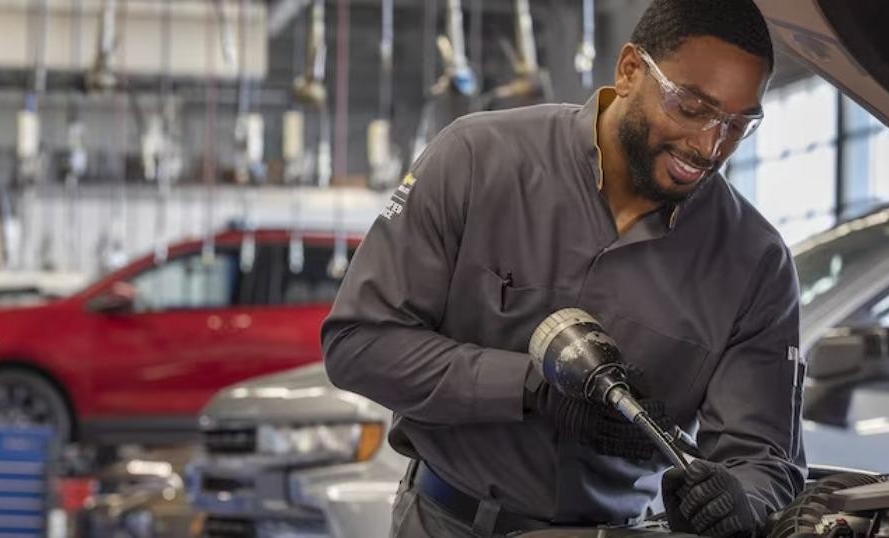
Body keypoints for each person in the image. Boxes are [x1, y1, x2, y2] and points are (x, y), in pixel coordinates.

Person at [321, 0, 805, 536]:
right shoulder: (477, 158)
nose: (709, 145)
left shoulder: (755, 263)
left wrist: (740, 500)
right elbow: (359, 344)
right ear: (629, 71)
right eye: (691, 107)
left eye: (738, 124)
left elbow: (763, 459)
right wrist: (532, 390)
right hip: (443, 522)